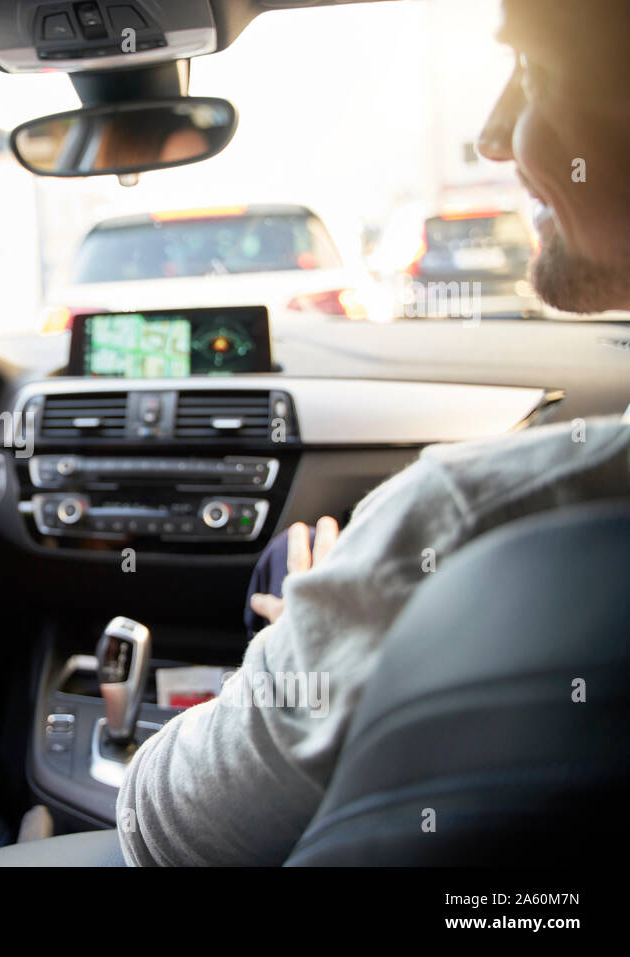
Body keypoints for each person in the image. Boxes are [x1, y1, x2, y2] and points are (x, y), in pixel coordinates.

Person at [118, 0, 630, 866]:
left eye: (534, 73)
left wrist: (297, 644)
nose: (493, 136)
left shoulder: (459, 519)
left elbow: (165, 830)